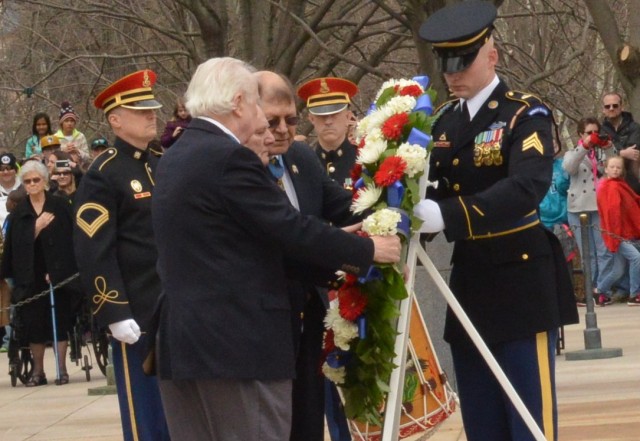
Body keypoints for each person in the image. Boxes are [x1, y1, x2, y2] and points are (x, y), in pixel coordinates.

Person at [152, 57, 401, 441]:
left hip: (186, 348)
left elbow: (254, 241)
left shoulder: (177, 155)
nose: (262, 118)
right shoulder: (228, 156)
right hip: (237, 349)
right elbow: (289, 229)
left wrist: (348, 240)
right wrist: (367, 252)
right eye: (256, 104)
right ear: (238, 103)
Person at [415, 2, 578, 440]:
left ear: (492, 55)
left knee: (529, 422)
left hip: (519, 284)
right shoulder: (443, 122)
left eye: (463, 61)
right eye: (446, 63)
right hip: (469, 285)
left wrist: (446, 214)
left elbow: (526, 186)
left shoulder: (524, 114)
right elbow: (431, 193)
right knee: (483, 425)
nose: (453, 73)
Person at [256, 70, 356, 441]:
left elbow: (345, 206)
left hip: (309, 316)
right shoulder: (242, 166)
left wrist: (395, 208)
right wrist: (360, 250)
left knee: (309, 422)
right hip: (264, 322)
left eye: (291, 120)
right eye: (272, 121)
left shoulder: (300, 157)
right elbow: (292, 238)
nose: (283, 129)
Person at [73, 70, 170, 441]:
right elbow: (93, 248)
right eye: (140, 110)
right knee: (146, 414)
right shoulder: (104, 173)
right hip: (139, 310)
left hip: (176, 304)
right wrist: (114, 310)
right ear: (115, 120)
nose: (151, 115)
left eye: (152, 108)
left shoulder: (163, 160)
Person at [0, 161, 80, 386]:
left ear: (44, 180)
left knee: (61, 320)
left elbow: (70, 239)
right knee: (34, 324)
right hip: (30, 275)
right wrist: (36, 228)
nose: (32, 184)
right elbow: (15, 247)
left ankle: (62, 369)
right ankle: (38, 371)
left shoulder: (61, 205)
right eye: (27, 181)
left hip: (58, 273)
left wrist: (61, 271)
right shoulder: (19, 213)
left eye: (36, 180)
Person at [563, 117, 619, 306]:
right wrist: (585, 146)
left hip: (599, 206)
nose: (593, 136)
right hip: (578, 208)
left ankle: (601, 290)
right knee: (587, 254)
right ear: (581, 134)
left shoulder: (602, 153)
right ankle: (590, 289)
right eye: (589, 133)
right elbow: (569, 168)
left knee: (603, 251)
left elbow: (614, 166)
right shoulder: (573, 153)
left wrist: (608, 146)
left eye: (596, 132)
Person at [297, 77, 359, 188]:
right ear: (311, 119)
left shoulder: (364, 160)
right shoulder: (303, 165)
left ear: (348, 117)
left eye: (335, 115)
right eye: (321, 116)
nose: (328, 121)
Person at [597, 156, 640, 306]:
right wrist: (616, 236)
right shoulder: (609, 187)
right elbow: (612, 213)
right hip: (617, 234)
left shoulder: (620, 185)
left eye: (618, 167)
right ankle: (635, 295)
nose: (615, 169)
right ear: (606, 169)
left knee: (618, 271)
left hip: (621, 233)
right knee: (636, 258)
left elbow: (632, 203)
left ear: (622, 171)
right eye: (612, 167)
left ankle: (598, 292)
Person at [600, 92, 640, 194]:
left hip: (632, 181)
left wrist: (612, 150)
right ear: (603, 110)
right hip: (609, 183)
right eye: (607, 106)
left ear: (621, 107)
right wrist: (621, 153)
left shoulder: (634, 127)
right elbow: (601, 156)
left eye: (615, 105)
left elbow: (633, 152)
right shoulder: (600, 131)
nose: (611, 108)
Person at [0, 153, 22, 227]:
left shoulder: (25, 189)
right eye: (2, 169)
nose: (6, 172)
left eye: (9, 168)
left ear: (15, 170)